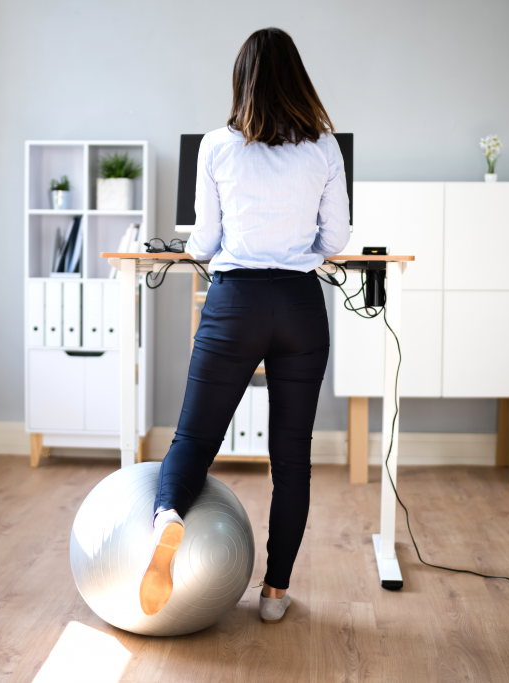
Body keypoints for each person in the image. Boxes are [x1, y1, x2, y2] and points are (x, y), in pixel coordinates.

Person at [139, 27, 349, 624]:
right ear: (299, 80)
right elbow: (335, 240)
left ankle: (169, 521)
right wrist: (297, 240)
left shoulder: (215, 145)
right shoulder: (325, 148)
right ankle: (276, 592)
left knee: (195, 440)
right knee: (292, 456)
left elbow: (204, 241)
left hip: (234, 303)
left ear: (242, 80)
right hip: (302, 308)